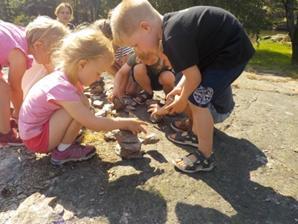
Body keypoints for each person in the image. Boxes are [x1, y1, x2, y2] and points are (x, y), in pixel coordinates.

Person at [110, 0, 255, 173]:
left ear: (145, 27)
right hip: (222, 50)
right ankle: (197, 132)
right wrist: (180, 88)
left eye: (134, 44)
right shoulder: (172, 26)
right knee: (193, 96)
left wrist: (182, 100)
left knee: (196, 101)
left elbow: (193, 77)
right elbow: (192, 71)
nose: (136, 50)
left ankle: (205, 156)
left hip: (230, 53)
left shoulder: (172, 37)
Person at [18, 28, 147, 166]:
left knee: (82, 104)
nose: (99, 78)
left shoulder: (65, 75)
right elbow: (93, 123)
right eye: (98, 72)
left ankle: (64, 141)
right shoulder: (62, 87)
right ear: (82, 65)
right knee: (78, 108)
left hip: (35, 132)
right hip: (37, 139)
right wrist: (125, 123)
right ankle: (63, 151)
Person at [0, 17, 68, 147]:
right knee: (3, 89)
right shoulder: (18, 54)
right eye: (53, 54)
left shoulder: (19, 34)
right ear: (38, 45)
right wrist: (21, 115)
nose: (52, 58)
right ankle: (4, 133)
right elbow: (15, 88)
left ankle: (4, 122)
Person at [22, 16, 69, 97]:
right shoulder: (38, 55)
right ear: (38, 45)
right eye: (53, 53)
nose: (54, 56)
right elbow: (54, 74)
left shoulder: (28, 49)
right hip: (27, 97)